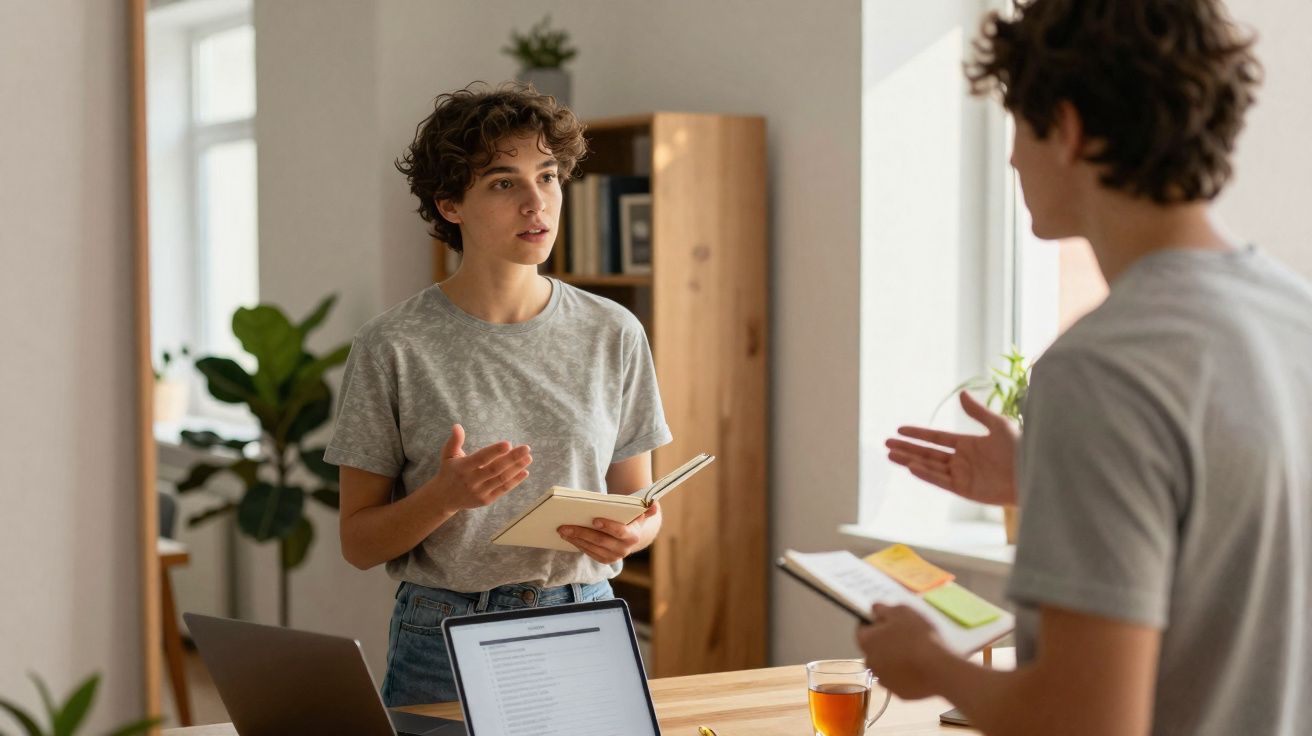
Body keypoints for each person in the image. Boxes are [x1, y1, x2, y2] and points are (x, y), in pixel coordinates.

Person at [859, 1, 1311, 734]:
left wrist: (930, 663)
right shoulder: (1297, 317)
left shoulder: (1102, 372)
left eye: (1017, 123)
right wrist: (1042, 476)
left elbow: (1085, 721)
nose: (1011, 158)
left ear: (1066, 130)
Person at [325, 82, 672, 706]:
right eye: (504, 182)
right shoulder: (391, 345)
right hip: (446, 635)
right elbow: (359, 543)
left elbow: (638, 504)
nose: (536, 203)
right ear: (450, 205)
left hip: (584, 619)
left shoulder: (613, 331)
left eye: (548, 177)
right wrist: (443, 498)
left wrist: (633, 536)